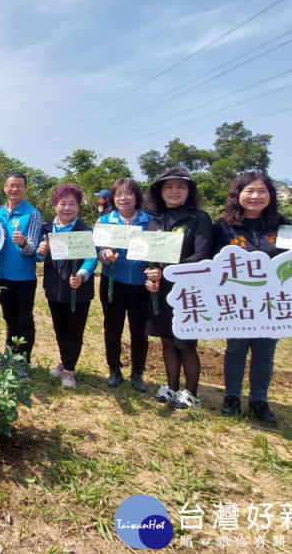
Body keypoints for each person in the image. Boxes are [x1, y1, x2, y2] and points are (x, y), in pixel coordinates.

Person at [214, 171, 292, 427]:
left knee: (265, 353)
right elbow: (212, 261)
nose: (255, 196)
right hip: (238, 301)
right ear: (237, 195)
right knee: (236, 349)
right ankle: (231, 397)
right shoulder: (224, 226)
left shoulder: (284, 225)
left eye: (261, 191)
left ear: (270, 196)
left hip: (273, 302)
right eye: (249, 191)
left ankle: (259, 401)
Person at [143, 167, 214, 410]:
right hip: (161, 291)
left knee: (185, 343)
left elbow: (202, 256)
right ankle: (171, 388)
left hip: (188, 290)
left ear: (189, 191)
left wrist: (168, 271)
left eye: (180, 187)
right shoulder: (155, 220)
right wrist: (151, 274)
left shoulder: (199, 218)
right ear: (159, 192)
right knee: (166, 341)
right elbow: (151, 256)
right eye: (169, 187)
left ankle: (191, 393)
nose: (174, 191)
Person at [37, 184, 98, 389]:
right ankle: (65, 361)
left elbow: (91, 258)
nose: (67, 208)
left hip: (78, 290)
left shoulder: (85, 230)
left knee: (75, 330)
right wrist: (42, 250)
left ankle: (69, 371)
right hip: (54, 287)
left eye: (72, 203)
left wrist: (82, 274)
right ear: (55, 205)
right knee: (59, 329)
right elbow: (39, 256)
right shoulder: (46, 229)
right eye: (63, 203)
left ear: (78, 206)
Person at [96, 178, 151, 392]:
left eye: (128, 193)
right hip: (113, 283)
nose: (123, 198)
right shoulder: (104, 221)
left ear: (136, 197)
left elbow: (159, 249)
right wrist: (104, 253)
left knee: (139, 330)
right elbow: (98, 249)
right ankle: (114, 369)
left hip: (141, 284)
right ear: (113, 198)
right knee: (112, 327)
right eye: (118, 194)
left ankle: (138, 372)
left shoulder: (150, 222)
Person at [0, 172, 42, 362]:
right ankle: (8, 356)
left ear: (25, 189)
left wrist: (22, 243)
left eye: (19, 185)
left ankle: (23, 361)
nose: (14, 189)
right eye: (11, 185)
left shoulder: (32, 213)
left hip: (24, 278)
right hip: (3, 275)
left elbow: (32, 250)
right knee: (9, 319)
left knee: (24, 320)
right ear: (5, 188)